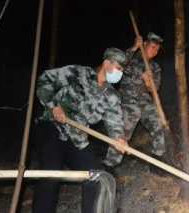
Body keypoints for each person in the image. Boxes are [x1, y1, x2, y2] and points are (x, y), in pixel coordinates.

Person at [32, 47, 128, 213]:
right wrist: (54, 106)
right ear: (106, 63)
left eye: (122, 70)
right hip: (52, 128)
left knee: (97, 176)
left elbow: (115, 121)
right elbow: (44, 80)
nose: (120, 73)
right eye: (118, 68)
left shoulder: (111, 95)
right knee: (51, 175)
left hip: (77, 138)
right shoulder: (77, 73)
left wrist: (119, 138)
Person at [109, 32, 169, 172]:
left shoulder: (154, 67)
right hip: (128, 99)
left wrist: (148, 82)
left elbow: (155, 88)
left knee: (158, 122)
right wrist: (134, 47)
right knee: (124, 131)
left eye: (157, 49)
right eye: (152, 47)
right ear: (145, 44)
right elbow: (118, 62)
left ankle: (157, 161)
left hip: (144, 101)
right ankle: (110, 164)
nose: (154, 51)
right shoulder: (132, 60)